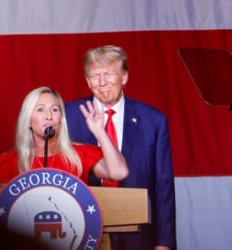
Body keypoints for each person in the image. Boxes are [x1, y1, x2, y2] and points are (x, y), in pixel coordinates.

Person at [65, 45, 176, 250]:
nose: (102, 81)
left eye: (108, 74)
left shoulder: (153, 120)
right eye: (95, 75)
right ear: (88, 81)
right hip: (83, 229)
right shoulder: (68, 116)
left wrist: (165, 242)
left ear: (124, 77)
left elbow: (164, 186)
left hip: (139, 232)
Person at [0, 86, 129, 186]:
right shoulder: (10, 162)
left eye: (54, 109)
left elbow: (119, 173)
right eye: (40, 110)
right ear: (29, 120)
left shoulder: (80, 155)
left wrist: (100, 132)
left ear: (61, 119)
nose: (49, 116)